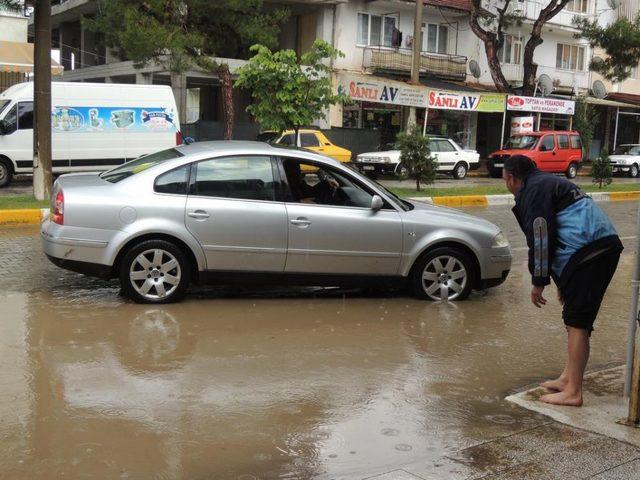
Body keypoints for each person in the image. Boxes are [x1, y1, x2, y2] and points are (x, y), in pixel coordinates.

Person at [503, 155, 623, 407]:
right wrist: (562, 282)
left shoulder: (533, 191)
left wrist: (538, 281)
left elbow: (541, 236)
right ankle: (568, 378)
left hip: (590, 253)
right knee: (573, 316)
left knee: (578, 322)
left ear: (511, 178)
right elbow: (560, 235)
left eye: (504, 179)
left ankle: (574, 392)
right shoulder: (545, 182)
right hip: (590, 251)